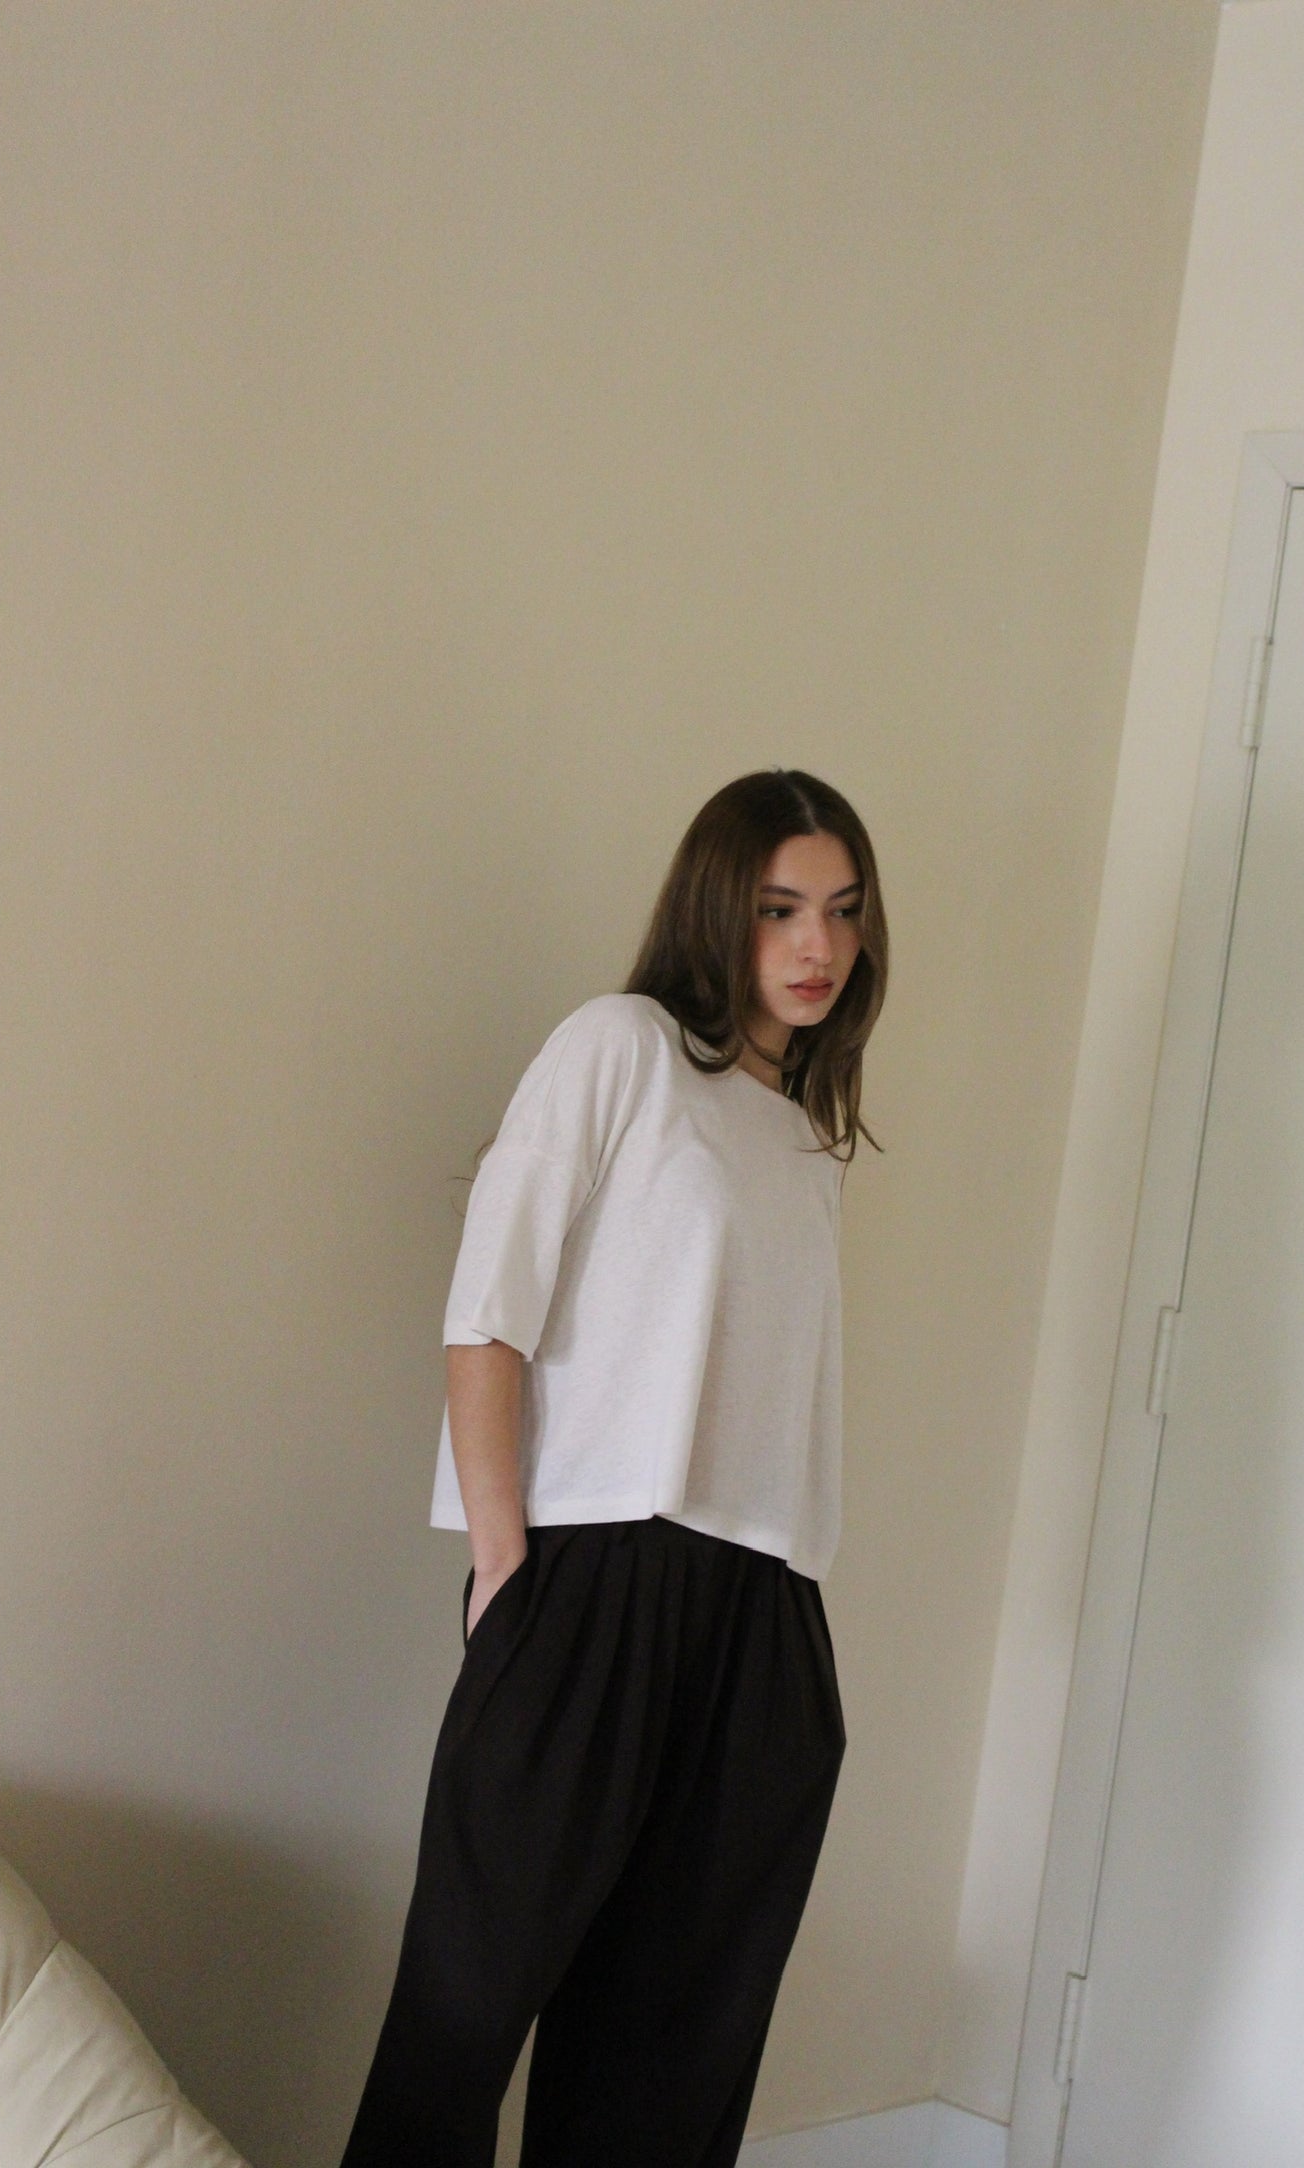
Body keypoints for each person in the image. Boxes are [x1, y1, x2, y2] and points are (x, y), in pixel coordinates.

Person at [340, 766, 888, 2168]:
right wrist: (505, 1568)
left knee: (672, 2065)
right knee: (463, 2015)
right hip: (595, 1574)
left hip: (764, 1610)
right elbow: (489, 1314)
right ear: (717, 907)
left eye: (841, 910)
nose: (817, 946)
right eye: (779, 909)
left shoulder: (803, 1135)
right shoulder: (620, 1049)